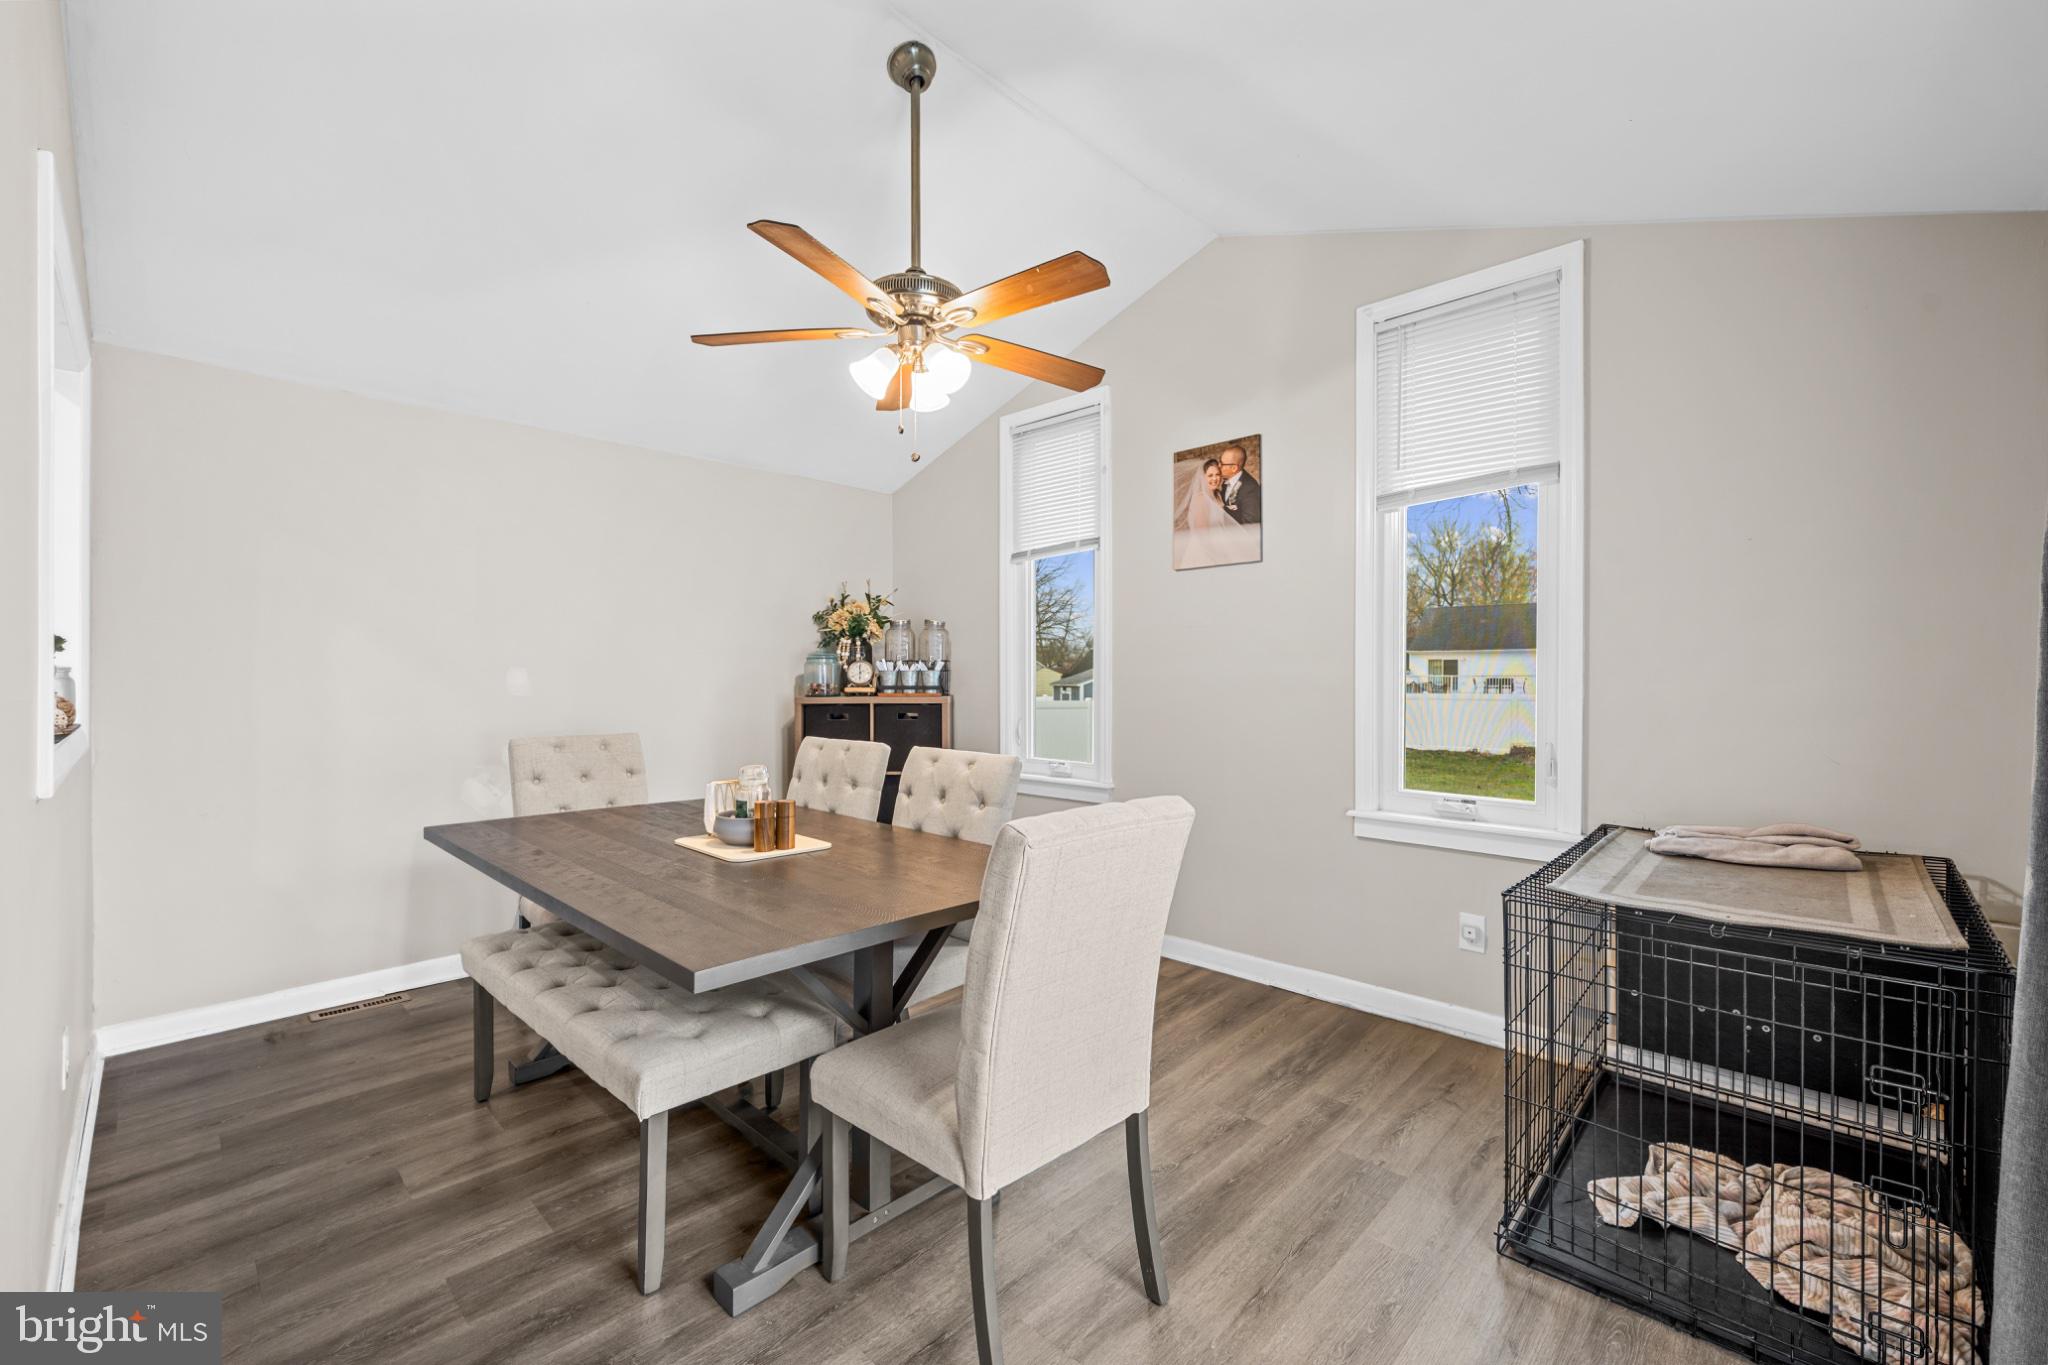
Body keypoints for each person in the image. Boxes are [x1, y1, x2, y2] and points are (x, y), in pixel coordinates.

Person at [1174, 453, 1260, 569]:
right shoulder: (1200, 499)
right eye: (1210, 476)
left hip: (1220, 548)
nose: (1215, 479)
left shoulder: (1218, 496)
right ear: (1202, 477)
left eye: (1217, 474)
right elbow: (1202, 535)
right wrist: (1217, 554)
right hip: (1204, 552)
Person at [1218, 444, 1262, 525]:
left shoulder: (1250, 489)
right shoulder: (1225, 482)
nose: (1219, 466)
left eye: (1222, 464)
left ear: (1234, 468)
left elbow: (1251, 524)